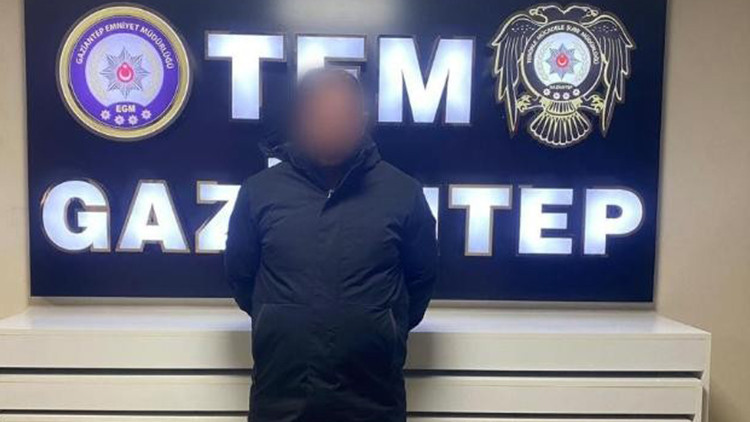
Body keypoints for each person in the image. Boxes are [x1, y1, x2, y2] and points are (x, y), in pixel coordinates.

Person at [224, 68, 438, 422]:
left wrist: (382, 327)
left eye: (341, 114)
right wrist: (278, 319)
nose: (331, 125)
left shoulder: (403, 193)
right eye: (320, 115)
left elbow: (420, 283)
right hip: (282, 395)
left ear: (361, 120)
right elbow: (241, 278)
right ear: (301, 121)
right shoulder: (259, 192)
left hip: (372, 398)